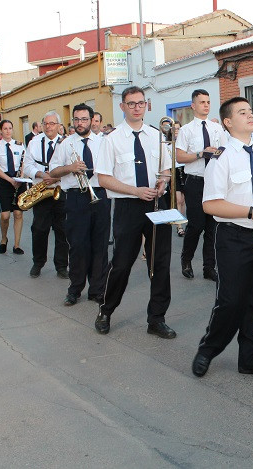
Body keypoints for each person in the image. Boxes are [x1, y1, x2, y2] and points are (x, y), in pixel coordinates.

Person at [191, 96, 253, 379]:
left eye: (250, 111)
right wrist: (250, 212)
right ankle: (208, 349)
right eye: (242, 112)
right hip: (234, 236)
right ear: (228, 122)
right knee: (231, 301)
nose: (249, 115)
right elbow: (210, 205)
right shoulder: (221, 158)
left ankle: (250, 358)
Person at [94, 86, 175, 339]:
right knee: (121, 264)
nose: (137, 108)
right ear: (122, 107)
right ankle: (105, 311)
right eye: (131, 104)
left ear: (146, 105)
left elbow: (167, 170)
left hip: (157, 205)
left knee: (159, 263)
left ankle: (157, 319)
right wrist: (134, 191)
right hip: (129, 207)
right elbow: (104, 179)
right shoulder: (112, 139)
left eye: (141, 103)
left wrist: (163, 182)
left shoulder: (156, 136)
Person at [49, 104, 110, 306]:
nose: (80, 123)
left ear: (92, 120)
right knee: (78, 245)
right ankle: (75, 289)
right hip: (76, 197)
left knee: (99, 245)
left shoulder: (103, 142)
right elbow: (53, 172)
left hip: (99, 195)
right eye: (76, 119)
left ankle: (97, 289)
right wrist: (70, 167)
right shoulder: (66, 144)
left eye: (84, 119)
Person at [175, 89, 223, 282]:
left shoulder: (217, 129)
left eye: (208, 102)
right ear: (193, 105)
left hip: (214, 181)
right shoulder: (187, 130)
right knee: (196, 225)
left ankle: (208, 267)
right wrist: (200, 154)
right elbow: (179, 157)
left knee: (213, 226)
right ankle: (186, 259)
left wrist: (217, 153)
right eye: (202, 102)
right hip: (195, 182)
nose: (206, 105)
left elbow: (225, 152)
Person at [23, 112, 68, 279]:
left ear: (58, 125)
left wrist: (56, 177)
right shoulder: (34, 143)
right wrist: (42, 175)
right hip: (42, 191)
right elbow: (27, 165)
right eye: (46, 123)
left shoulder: (66, 142)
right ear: (42, 126)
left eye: (52, 123)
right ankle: (38, 262)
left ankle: (62, 266)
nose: (49, 126)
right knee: (39, 229)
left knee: (62, 230)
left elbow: (70, 166)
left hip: (60, 190)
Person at [0, 120, 27, 255]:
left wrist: (20, 178)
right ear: (1, 131)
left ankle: (16, 245)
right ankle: (4, 238)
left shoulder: (19, 145)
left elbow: (24, 163)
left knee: (18, 213)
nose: (7, 131)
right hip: (5, 181)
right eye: (5, 128)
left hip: (18, 181)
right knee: (5, 215)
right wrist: (10, 180)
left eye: (10, 128)